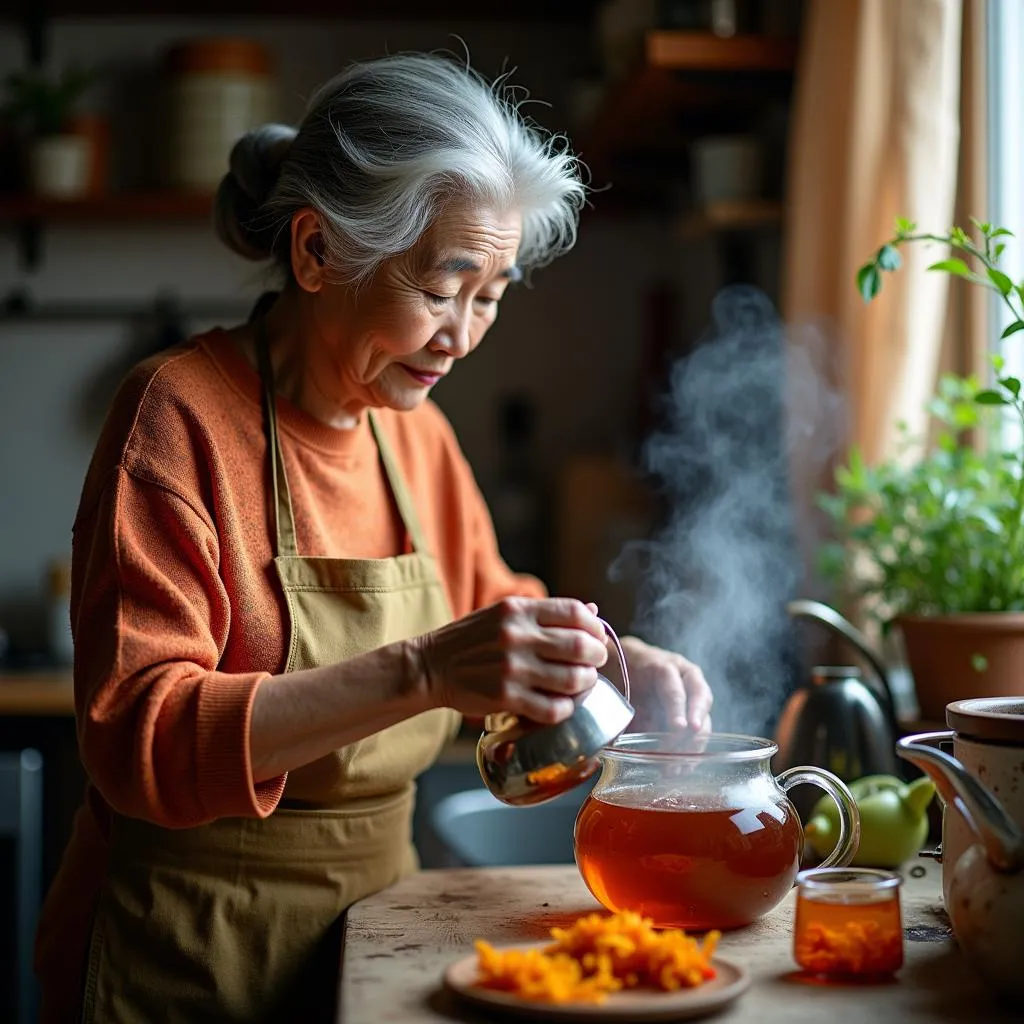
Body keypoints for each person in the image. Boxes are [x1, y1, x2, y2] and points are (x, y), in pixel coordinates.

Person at [34, 52, 712, 1023]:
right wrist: (420, 672)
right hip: (183, 953)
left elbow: (494, 611)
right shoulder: (177, 415)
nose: (464, 336)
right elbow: (138, 741)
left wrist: (608, 662)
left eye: (491, 294)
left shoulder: (416, 434)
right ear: (315, 252)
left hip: (377, 937)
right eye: (443, 288)